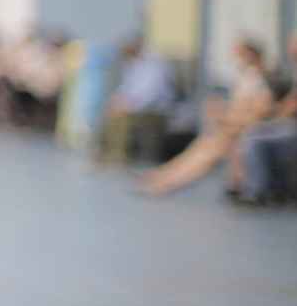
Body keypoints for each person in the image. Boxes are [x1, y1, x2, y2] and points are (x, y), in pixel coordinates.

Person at [138, 36, 272, 196]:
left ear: (251, 55)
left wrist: (229, 120)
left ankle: (168, 183)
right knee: (199, 148)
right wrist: (221, 112)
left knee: (206, 154)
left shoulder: (259, 80)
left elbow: (259, 112)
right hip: (233, 127)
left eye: (240, 54)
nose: (236, 59)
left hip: (242, 129)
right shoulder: (247, 77)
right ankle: (164, 176)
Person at [229, 32, 297, 205]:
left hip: (290, 127)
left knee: (254, 138)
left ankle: (256, 191)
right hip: (286, 123)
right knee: (249, 133)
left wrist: (271, 116)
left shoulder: (268, 74)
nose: (291, 50)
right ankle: (246, 185)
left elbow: (289, 107)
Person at [97, 36, 176, 165]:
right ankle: (106, 153)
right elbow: (127, 88)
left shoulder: (154, 65)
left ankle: (118, 156)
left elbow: (151, 95)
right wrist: (118, 101)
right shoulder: (134, 64)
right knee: (111, 112)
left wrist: (129, 106)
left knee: (122, 118)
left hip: (156, 109)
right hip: (137, 106)